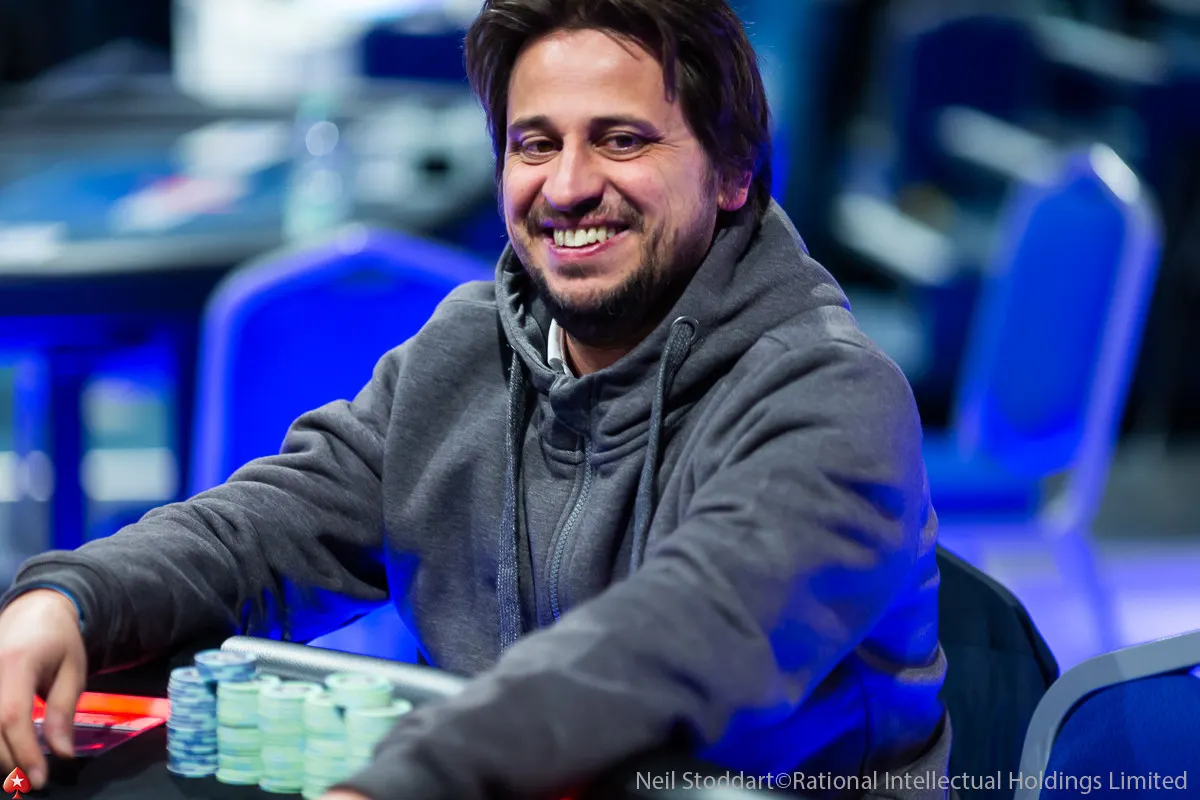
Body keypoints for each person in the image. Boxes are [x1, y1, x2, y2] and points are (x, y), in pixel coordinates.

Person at [0, 0, 950, 797]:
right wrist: (71, 600)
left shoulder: (829, 396)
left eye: (621, 140)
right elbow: (265, 528)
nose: (568, 187)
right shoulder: (467, 351)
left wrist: (402, 782)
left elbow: (673, 643)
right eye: (535, 144)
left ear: (733, 170)